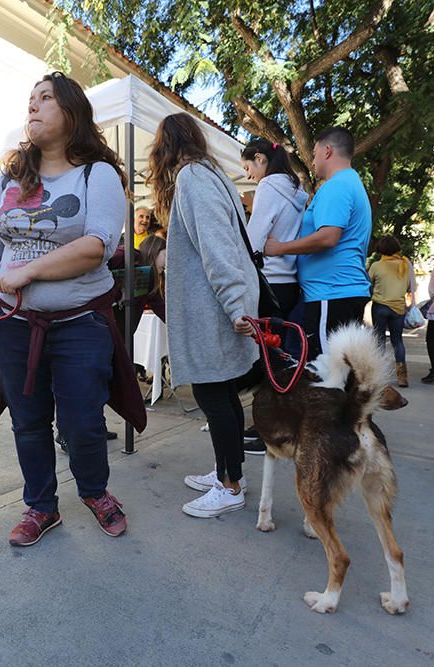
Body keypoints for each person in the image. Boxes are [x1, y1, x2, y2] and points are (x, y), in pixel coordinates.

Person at [0, 72, 144, 546]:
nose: (33, 107)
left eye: (46, 99)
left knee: (82, 421)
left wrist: (29, 271)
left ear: (72, 112)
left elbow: (96, 247)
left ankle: (95, 492)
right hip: (15, 325)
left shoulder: (97, 174)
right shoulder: (10, 176)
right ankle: (41, 506)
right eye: (30, 100)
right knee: (27, 422)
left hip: (80, 322)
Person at [146, 112, 258, 518]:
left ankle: (230, 488)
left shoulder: (193, 178)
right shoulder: (214, 176)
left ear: (167, 146)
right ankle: (230, 475)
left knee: (214, 395)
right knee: (222, 394)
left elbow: (218, 247)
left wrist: (235, 306)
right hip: (219, 305)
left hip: (215, 308)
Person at [263, 127, 372, 358]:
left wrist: (279, 248)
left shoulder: (337, 186)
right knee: (341, 372)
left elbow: (328, 237)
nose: (311, 161)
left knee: (326, 373)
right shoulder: (351, 182)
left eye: (313, 154)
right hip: (338, 293)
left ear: (328, 151)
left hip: (331, 295)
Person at [239, 137, 309, 448]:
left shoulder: (269, 188)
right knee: (280, 357)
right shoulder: (296, 191)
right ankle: (281, 422)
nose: (249, 175)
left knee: (267, 360)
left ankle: (268, 429)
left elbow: (253, 240)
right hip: (291, 282)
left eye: (248, 167)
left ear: (261, 159)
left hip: (269, 282)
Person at [368, 235, 415, 387]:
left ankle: (379, 375)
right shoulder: (405, 264)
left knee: (379, 340)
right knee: (397, 341)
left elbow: (369, 284)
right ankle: (402, 377)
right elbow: (409, 287)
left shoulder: (376, 266)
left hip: (380, 306)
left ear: (381, 249)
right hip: (398, 309)